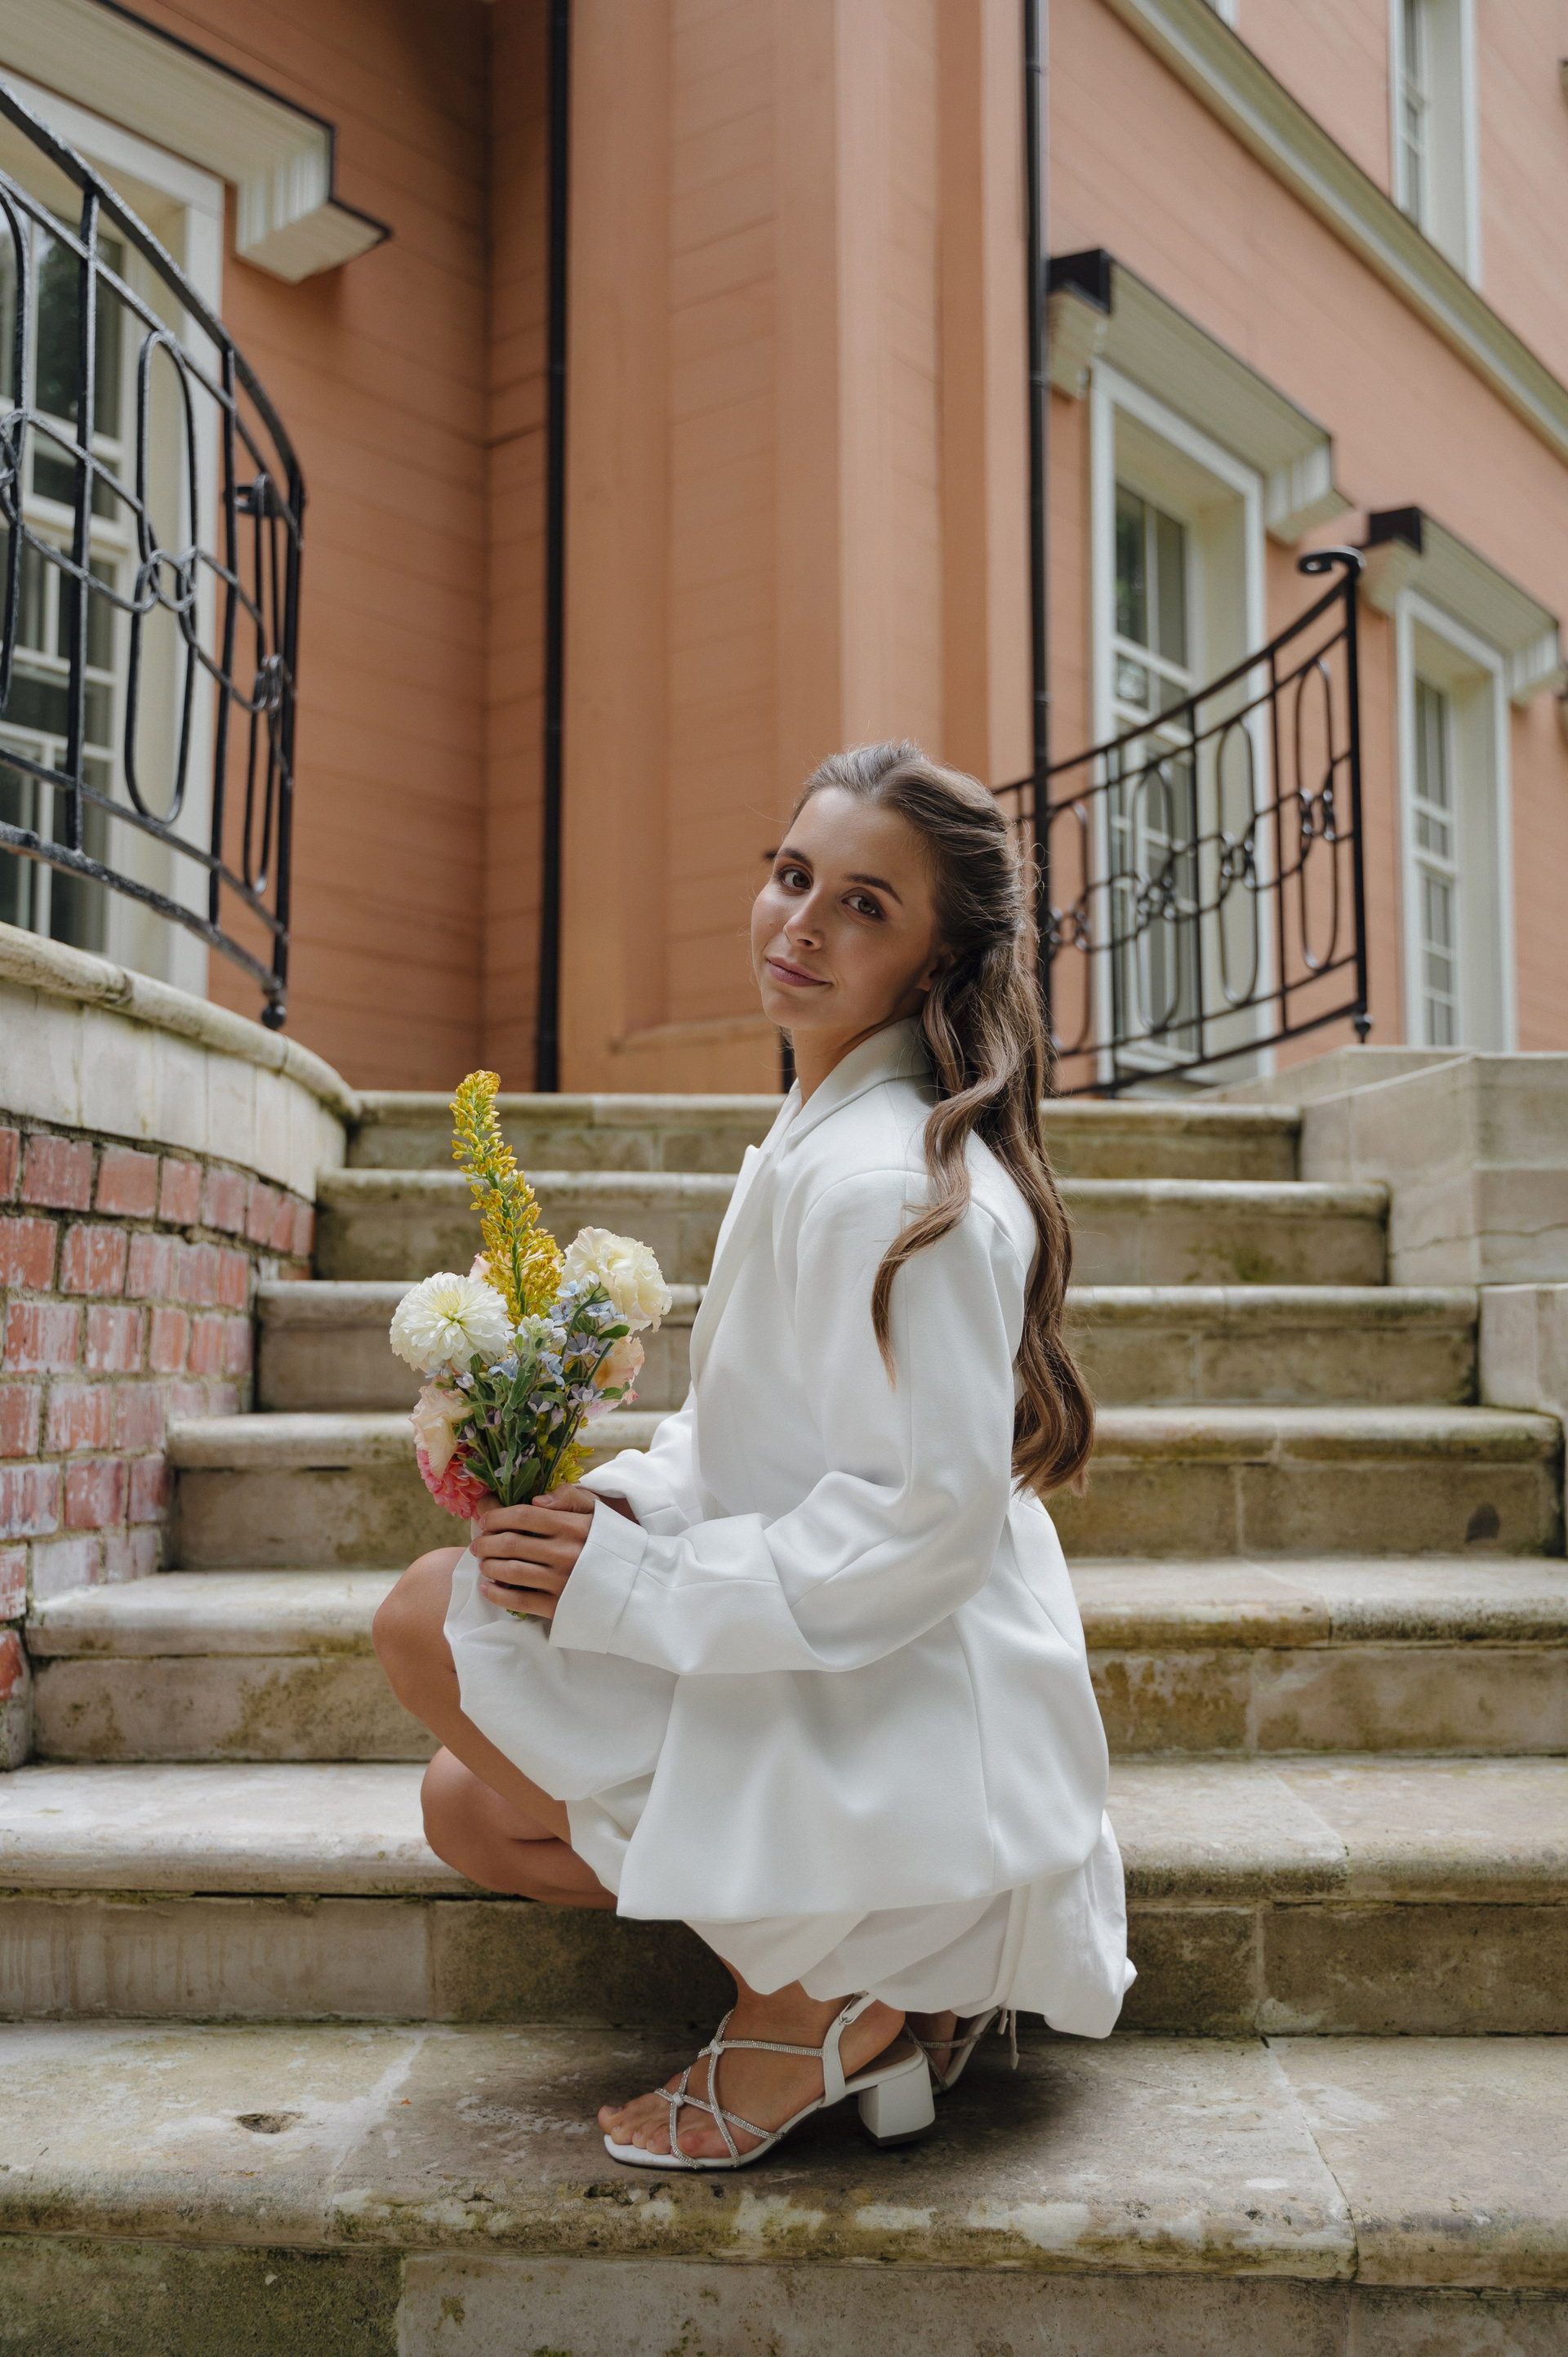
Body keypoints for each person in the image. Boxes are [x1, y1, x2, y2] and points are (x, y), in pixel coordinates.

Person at [372, 740, 1134, 2171]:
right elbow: (744, 1437)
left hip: (910, 1696)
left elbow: (920, 1526)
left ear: (936, 959)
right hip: (834, 1651)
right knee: (468, 1808)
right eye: (794, 876)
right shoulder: (817, 1133)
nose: (803, 923)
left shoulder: (886, 1186)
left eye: (863, 905)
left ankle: (813, 2007)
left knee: (429, 1619)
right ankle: (899, 1990)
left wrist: (631, 1587)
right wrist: (617, 1508)